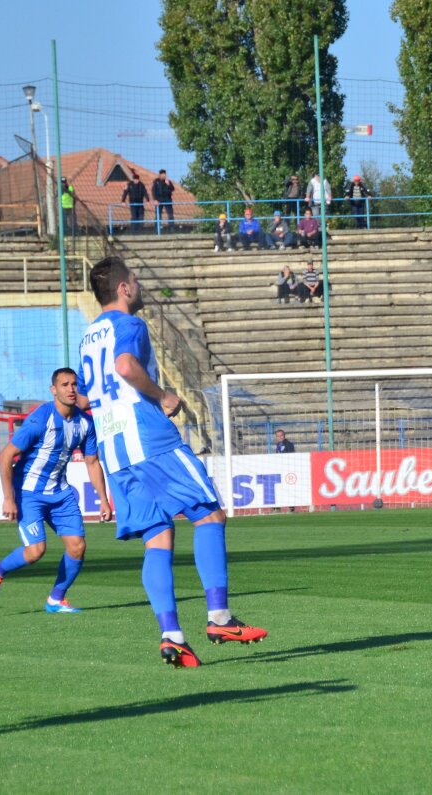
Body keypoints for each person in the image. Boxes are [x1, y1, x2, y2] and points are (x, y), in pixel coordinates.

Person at [78, 257, 267, 666]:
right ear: (124, 288)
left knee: (157, 537)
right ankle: (219, 617)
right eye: (136, 279)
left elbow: (87, 394)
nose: (140, 284)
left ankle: (172, 636)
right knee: (209, 514)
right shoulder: (130, 325)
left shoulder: (88, 336)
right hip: (148, 439)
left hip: (113, 447)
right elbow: (125, 367)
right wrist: (163, 396)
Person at [0, 368, 112, 613]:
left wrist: (103, 500)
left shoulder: (85, 422)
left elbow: (92, 461)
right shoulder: (41, 418)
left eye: (74, 384)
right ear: (54, 390)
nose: (71, 389)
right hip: (29, 493)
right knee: (35, 552)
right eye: (64, 385)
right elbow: (6, 455)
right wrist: (9, 498)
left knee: (77, 547)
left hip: (61, 494)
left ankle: (56, 599)